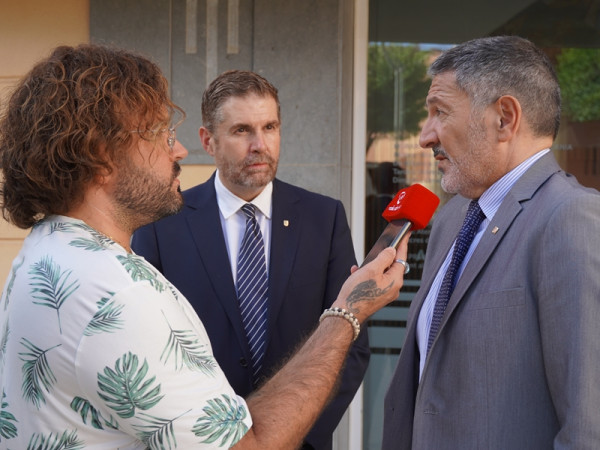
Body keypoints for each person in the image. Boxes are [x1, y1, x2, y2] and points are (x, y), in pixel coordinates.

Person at [0, 44, 409, 448]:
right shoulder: (122, 295)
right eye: (159, 136)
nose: (177, 151)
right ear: (102, 158)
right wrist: (347, 311)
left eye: (270, 127)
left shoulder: (44, 252)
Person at [382, 35, 600, 449]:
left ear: (504, 118)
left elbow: (589, 425)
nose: (425, 136)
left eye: (439, 113)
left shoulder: (573, 219)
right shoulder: (451, 218)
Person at [131, 70, 368, 450]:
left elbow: (350, 342)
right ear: (208, 140)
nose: (260, 144)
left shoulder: (324, 218)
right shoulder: (162, 224)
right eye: (242, 130)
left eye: (270, 127)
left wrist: (295, 435)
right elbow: (148, 347)